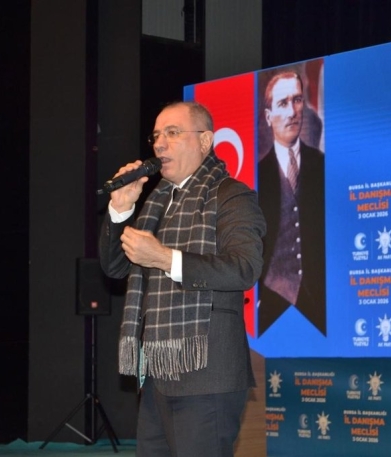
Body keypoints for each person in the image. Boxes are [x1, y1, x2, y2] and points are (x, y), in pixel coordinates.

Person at [99, 101, 266, 457]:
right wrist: (121, 209)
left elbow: (244, 267)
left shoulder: (231, 195)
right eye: (156, 136)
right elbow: (115, 267)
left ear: (205, 141)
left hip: (207, 375)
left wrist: (163, 257)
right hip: (158, 373)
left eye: (173, 133)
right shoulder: (158, 203)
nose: (160, 144)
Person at [257, 71, 326, 336]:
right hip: (271, 300)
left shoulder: (323, 165)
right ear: (268, 116)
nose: (292, 111)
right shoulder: (256, 175)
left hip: (319, 302)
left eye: (297, 100)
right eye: (283, 103)